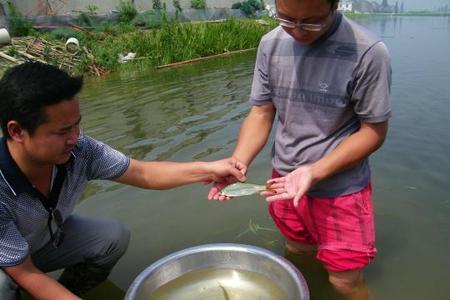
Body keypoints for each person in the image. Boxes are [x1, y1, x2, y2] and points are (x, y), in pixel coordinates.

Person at [0, 62, 247, 300]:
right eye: (63, 131)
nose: (75, 137)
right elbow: (26, 273)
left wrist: (210, 169)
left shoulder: (81, 150)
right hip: (9, 262)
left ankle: (70, 291)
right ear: (17, 131)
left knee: (112, 237)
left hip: (42, 241)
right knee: (3, 287)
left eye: (77, 125)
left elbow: (143, 173)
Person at [208, 0, 391, 299]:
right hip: (283, 182)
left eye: (311, 21)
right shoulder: (270, 43)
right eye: (286, 19)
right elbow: (261, 113)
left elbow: (374, 132)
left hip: (340, 191)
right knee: (298, 251)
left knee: (344, 281)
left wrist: (315, 171)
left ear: (334, 6)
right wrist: (237, 163)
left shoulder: (368, 52)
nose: (298, 31)